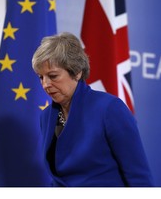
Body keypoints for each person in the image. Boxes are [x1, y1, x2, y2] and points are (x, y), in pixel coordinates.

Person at [32, 32, 153, 187]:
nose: (45, 84)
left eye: (53, 76)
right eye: (41, 77)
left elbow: (138, 176)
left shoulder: (110, 109)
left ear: (76, 72)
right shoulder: (46, 116)